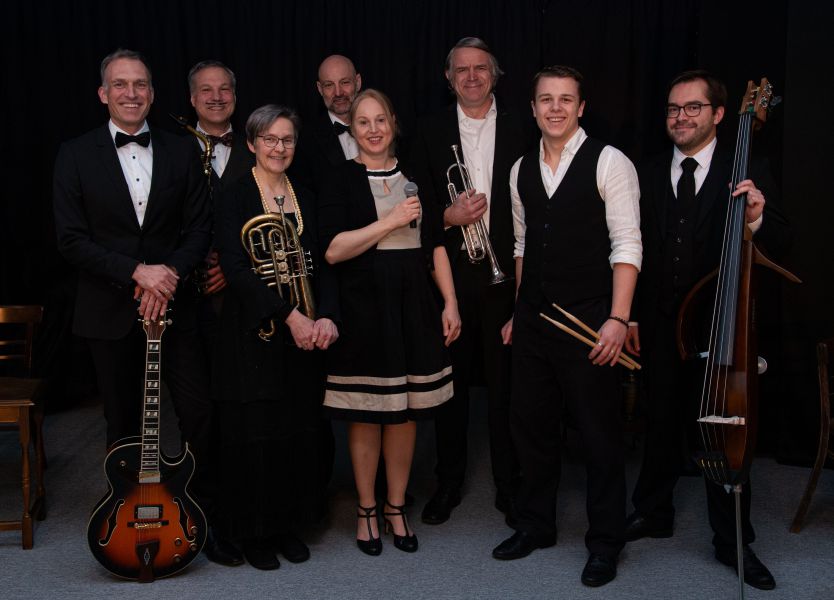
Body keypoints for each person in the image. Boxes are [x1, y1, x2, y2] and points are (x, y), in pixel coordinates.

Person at [623, 70, 791, 591]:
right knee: (659, 417)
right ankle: (653, 511)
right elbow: (631, 244)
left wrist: (756, 219)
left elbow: (783, 241)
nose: (681, 117)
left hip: (722, 324)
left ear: (719, 114)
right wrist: (631, 314)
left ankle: (732, 538)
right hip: (657, 319)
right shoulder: (648, 170)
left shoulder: (749, 168)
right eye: (674, 109)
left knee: (723, 428)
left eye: (693, 107)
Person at [52, 48, 221, 556]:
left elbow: (199, 228)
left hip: (176, 305)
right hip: (108, 311)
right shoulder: (74, 154)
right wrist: (136, 272)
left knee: (199, 411)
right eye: (121, 85)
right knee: (122, 422)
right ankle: (126, 515)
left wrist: (165, 276)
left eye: (141, 84)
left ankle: (200, 514)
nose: (132, 93)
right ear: (103, 93)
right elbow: (70, 240)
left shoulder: (181, 150)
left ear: (152, 92)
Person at [491, 66, 642, 589]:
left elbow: (627, 244)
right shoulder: (519, 169)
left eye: (565, 99)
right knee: (530, 429)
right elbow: (522, 247)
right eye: (545, 99)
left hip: (590, 320)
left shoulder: (610, 162)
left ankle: (605, 543)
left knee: (599, 437)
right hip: (533, 320)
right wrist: (518, 311)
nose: (555, 108)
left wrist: (618, 319)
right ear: (533, 108)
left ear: (580, 107)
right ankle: (536, 524)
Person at [318, 89, 460, 556]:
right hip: (365, 310)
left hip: (414, 307)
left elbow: (435, 245)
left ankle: (395, 506)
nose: (373, 129)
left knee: (406, 413)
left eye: (381, 120)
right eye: (363, 122)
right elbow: (333, 250)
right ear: (353, 129)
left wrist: (450, 303)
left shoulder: (415, 176)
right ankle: (366, 510)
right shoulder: (340, 178)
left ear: (393, 123)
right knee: (367, 413)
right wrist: (391, 220)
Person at [212, 104, 339, 570]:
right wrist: (290, 316)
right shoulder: (233, 195)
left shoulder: (306, 194)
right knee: (256, 435)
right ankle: (254, 534)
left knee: (297, 431)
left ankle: (288, 525)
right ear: (251, 143)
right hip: (256, 333)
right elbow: (236, 269)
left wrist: (326, 316)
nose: (279, 148)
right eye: (269, 139)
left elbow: (324, 262)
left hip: (304, 337)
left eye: (286, 139)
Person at [410, 36, 527, 525]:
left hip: (507, 274)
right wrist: (448, 216)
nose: (472, 77)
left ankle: (510, 484)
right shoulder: (427, 129)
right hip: (450, 277)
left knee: (507, 387)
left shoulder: (525, 124)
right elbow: (414, 207)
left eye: (481, 68)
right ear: (448, 77)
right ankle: (449, 481)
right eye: (462, 69)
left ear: (494, 74)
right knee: (450, 388)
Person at [182, 59, 256, 567]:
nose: (215, 97)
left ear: (235, 94)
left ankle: (245, 516)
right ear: (192, 99)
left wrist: (234, 266)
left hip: (242, 300)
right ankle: (202, 515)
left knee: (240, 411)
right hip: (188, 304)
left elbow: (276, 214)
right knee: (199, 415)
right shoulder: (171, 149)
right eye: (205, 90)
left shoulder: (257, 147)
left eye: (224, 88)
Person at [292, 54, 362, 191]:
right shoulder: (305, 141)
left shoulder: (381, 130)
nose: (338, 92)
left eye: (345, 82)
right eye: (329, 85)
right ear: (320, 89)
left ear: (358, 82)